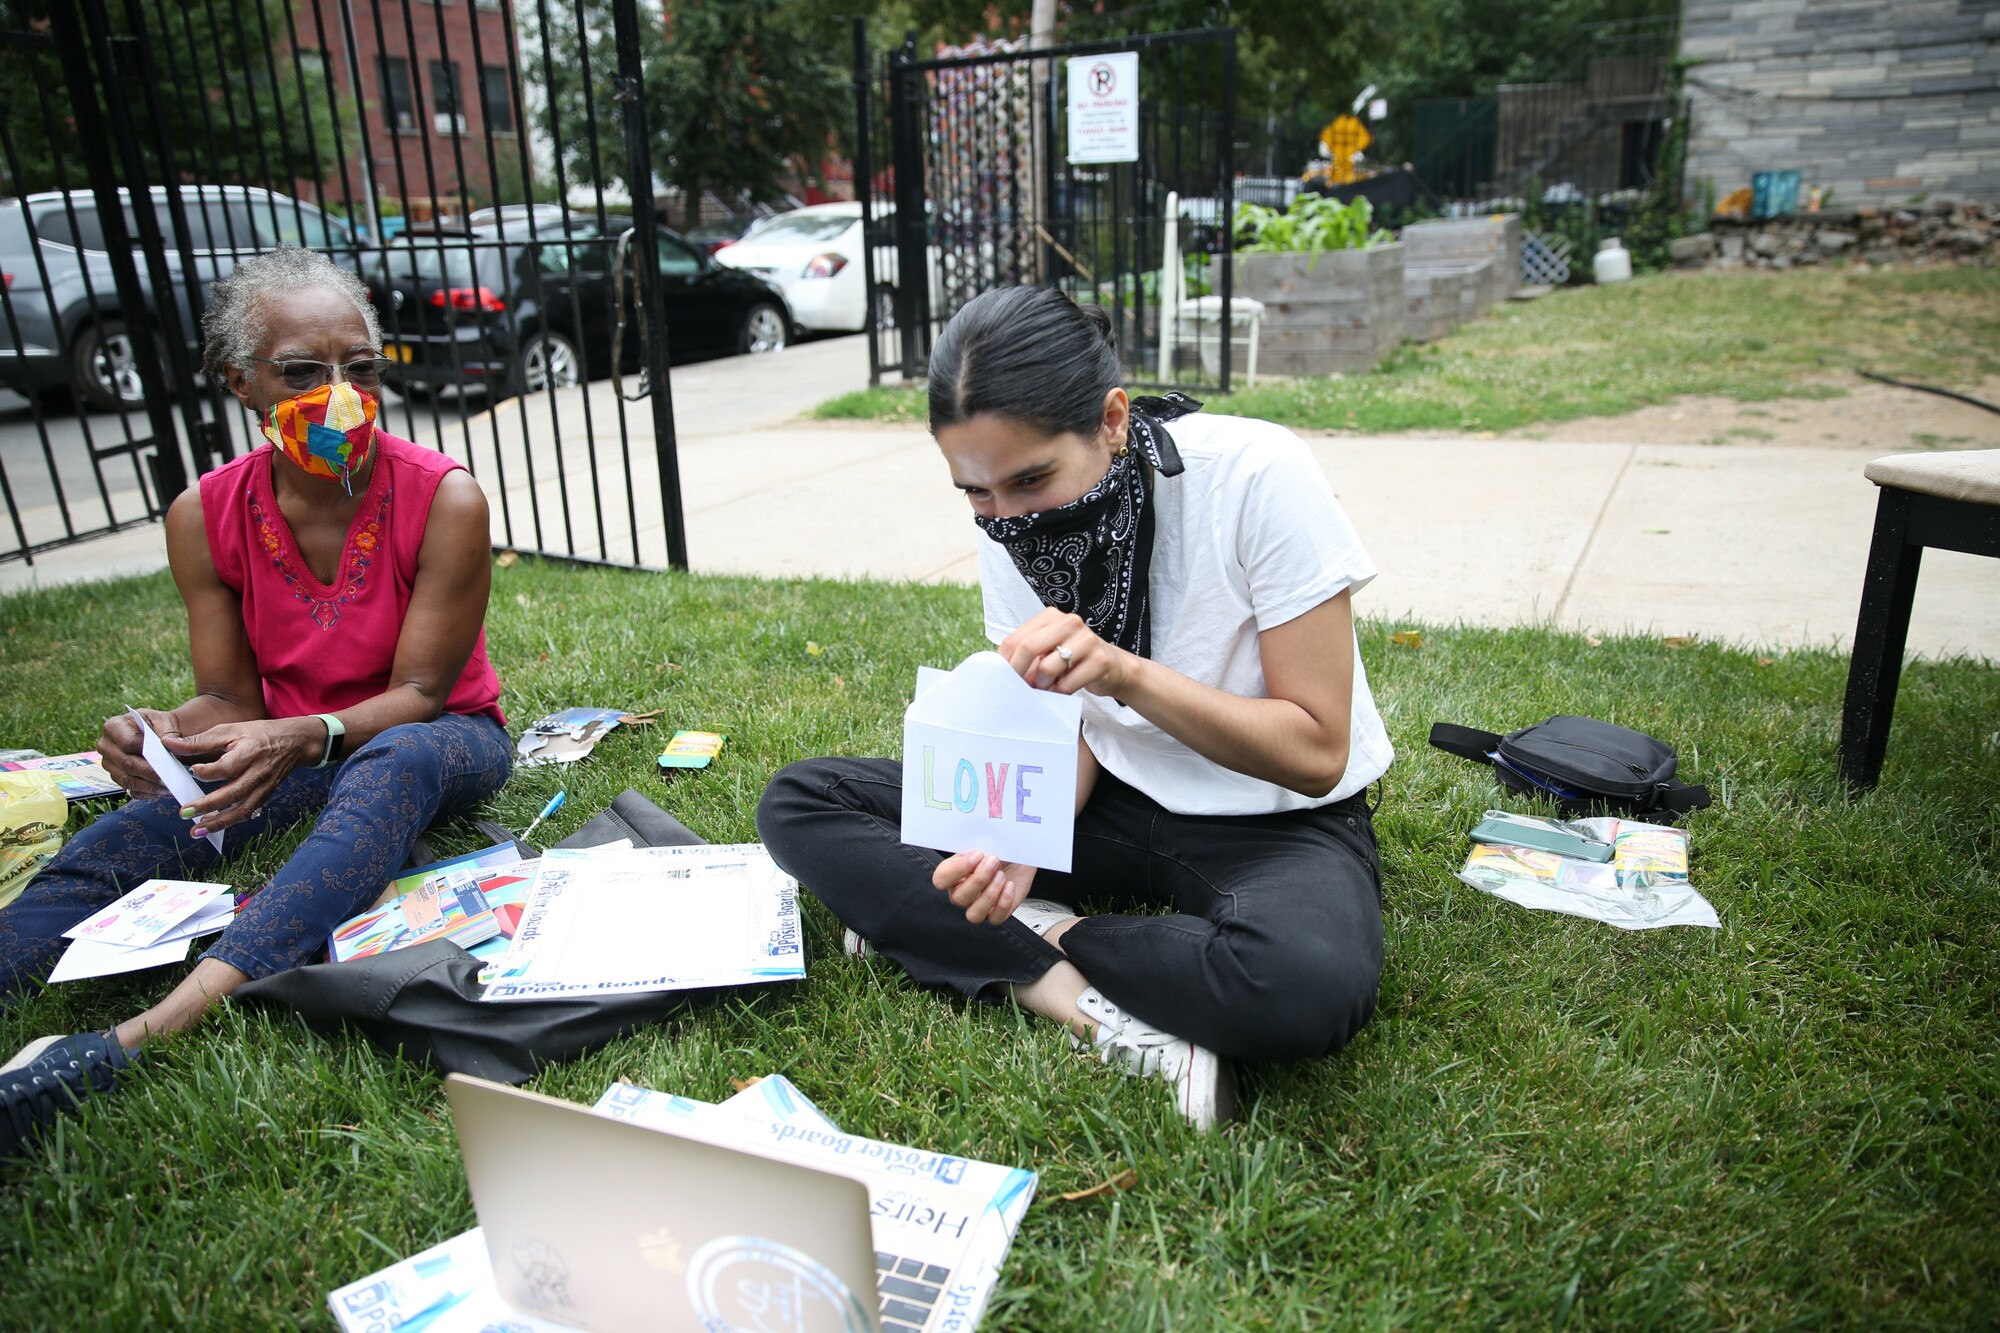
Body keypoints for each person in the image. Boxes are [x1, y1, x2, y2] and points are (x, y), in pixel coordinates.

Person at [758, 286, 1393, 1129]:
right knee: (805, 799)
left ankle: (1032, 937)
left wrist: (1126, 675)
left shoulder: (1256, 475)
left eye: (1030, 479)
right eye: (976, 494)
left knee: (1300, 985)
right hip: (1116, 805)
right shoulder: (1010, 529)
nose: (1009, 520)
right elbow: (1073, 728)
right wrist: (1027, 837)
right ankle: (1065, 988)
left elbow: (1316, 749)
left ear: (1113, 418)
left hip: (1277, 821)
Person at [0, 248, 510, 1156]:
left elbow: (424, 693)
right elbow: (227, 695)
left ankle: (139, 1036)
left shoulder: (445, 499)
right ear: (242, 382)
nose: (340, 394)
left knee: (396, 762)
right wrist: (163, 732)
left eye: (360, 367)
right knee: (119, 841)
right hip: (284, 747)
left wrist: (306, 732)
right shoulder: (204, 514)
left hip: (438, 737)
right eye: (303, 373)